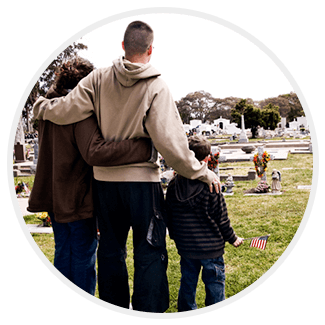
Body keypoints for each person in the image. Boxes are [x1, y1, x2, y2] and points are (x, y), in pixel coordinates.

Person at [33, 21, 220, 312]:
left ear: (122, 46)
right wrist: (201, 171)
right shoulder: (157, 85)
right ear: (150, 50)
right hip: (142, 184)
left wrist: (40, 107)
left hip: (105, 187)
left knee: (110, 252)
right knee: (149, 250)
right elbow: (172, 145)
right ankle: (149, 311)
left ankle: (114, 306)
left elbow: (67, 109)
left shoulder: (97, 79)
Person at [28, 57, 152, 295]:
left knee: (63, 252)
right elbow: (95, 152)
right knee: (83, 258)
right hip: (76, 196)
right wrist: (145, 147)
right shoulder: (77, 110)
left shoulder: (48, 108)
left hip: (55, 195)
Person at [166, 135, 243, 311]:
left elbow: (169, 215)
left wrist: (176, 236)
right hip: (211, 248)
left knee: (187, 282)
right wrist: (233, 238)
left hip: (186, 247)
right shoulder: (212, 185)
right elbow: (221, 218)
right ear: (208, 158)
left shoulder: (173, 185)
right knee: (214, 285)